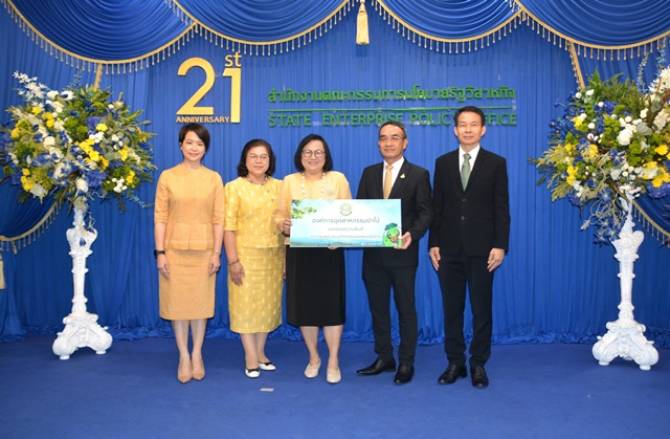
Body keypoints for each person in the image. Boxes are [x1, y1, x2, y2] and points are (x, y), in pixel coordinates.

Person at [429, 106, 510, 389]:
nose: (468, 129)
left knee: (481, 309)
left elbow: (501, 208)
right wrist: (433, 242)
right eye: (462, 124)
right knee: (452, 309)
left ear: (483, 129)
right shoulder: (443, 163)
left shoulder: (496, 163)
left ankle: (478, 363)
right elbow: (437, 207)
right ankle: (455, 362)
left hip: (483, 249)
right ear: (455, 130)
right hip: (448, 248)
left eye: (473, 124)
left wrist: (500, 245)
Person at [356, 121, 432, 385]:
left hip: (403, 256)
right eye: (384, 138)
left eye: (395, 137)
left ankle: (406, 361)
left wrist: (413, 233)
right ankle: (384, 357)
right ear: (378, 143)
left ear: (405, 142)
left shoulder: (418, 174)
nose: (388, 143)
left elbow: (426, 212)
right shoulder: (368, 173)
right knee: (378, 309)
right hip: (373, 256)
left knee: (405, 309)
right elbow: (361, 211)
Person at [276, 134, 352, 384]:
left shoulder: (338, 179)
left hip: (330, 252)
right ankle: (314, 357)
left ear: (326, 156)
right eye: (307, 152)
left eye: (318, 152)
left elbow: (349, 214)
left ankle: (333, 361)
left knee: (332, 308)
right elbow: (279, 216)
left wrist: (341, 232)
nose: (313, 157)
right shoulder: (289, 181)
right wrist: (284, 224)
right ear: (300, 156)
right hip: (299, 253)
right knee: (305, 309)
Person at [154, 123, 224, 384]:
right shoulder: (167, 177)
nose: (194, 148)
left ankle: (197, 354)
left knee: (199, 307)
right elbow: (160, 217)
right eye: (189, 142)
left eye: (200, 144)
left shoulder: (214, 178)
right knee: (178, 307)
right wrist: (160, 252)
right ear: (181, 145)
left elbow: (219, 219)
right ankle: (183, 355)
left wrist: (217, 253)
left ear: (206, 148)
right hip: (173, 251)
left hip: (205, 251)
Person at [223, 139, 284, 379]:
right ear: (245, 160)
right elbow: (228, 227)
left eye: (263, 156)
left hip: (273, 256)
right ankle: (250, 356)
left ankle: (260, 352)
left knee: (267, 307)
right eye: (253, 156)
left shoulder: (280, 187)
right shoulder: (233, 187)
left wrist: (286, 261)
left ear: (270, 160)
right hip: (244, 256)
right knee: (245, 307)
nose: (259, 161)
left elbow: (287, 222)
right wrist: (233, 261)